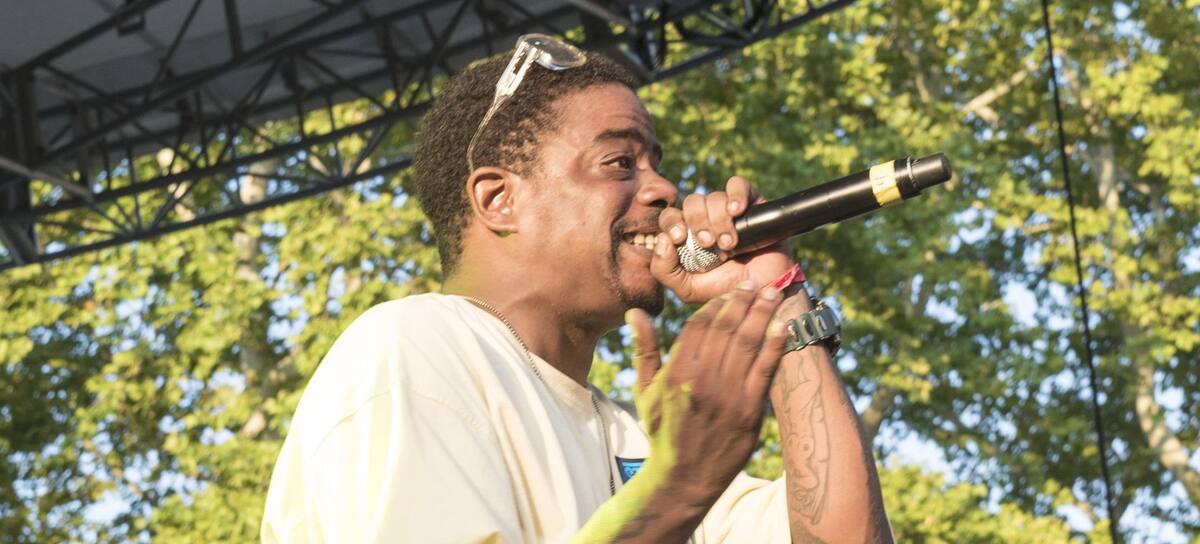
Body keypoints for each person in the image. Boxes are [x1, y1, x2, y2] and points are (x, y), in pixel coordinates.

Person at [262, 34, 890, 543]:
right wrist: (680, 485)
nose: (663, 189)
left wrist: (777, 292)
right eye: (619, 163)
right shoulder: (412, 348)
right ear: (498, 199)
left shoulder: (638, 442)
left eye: (655, 163)